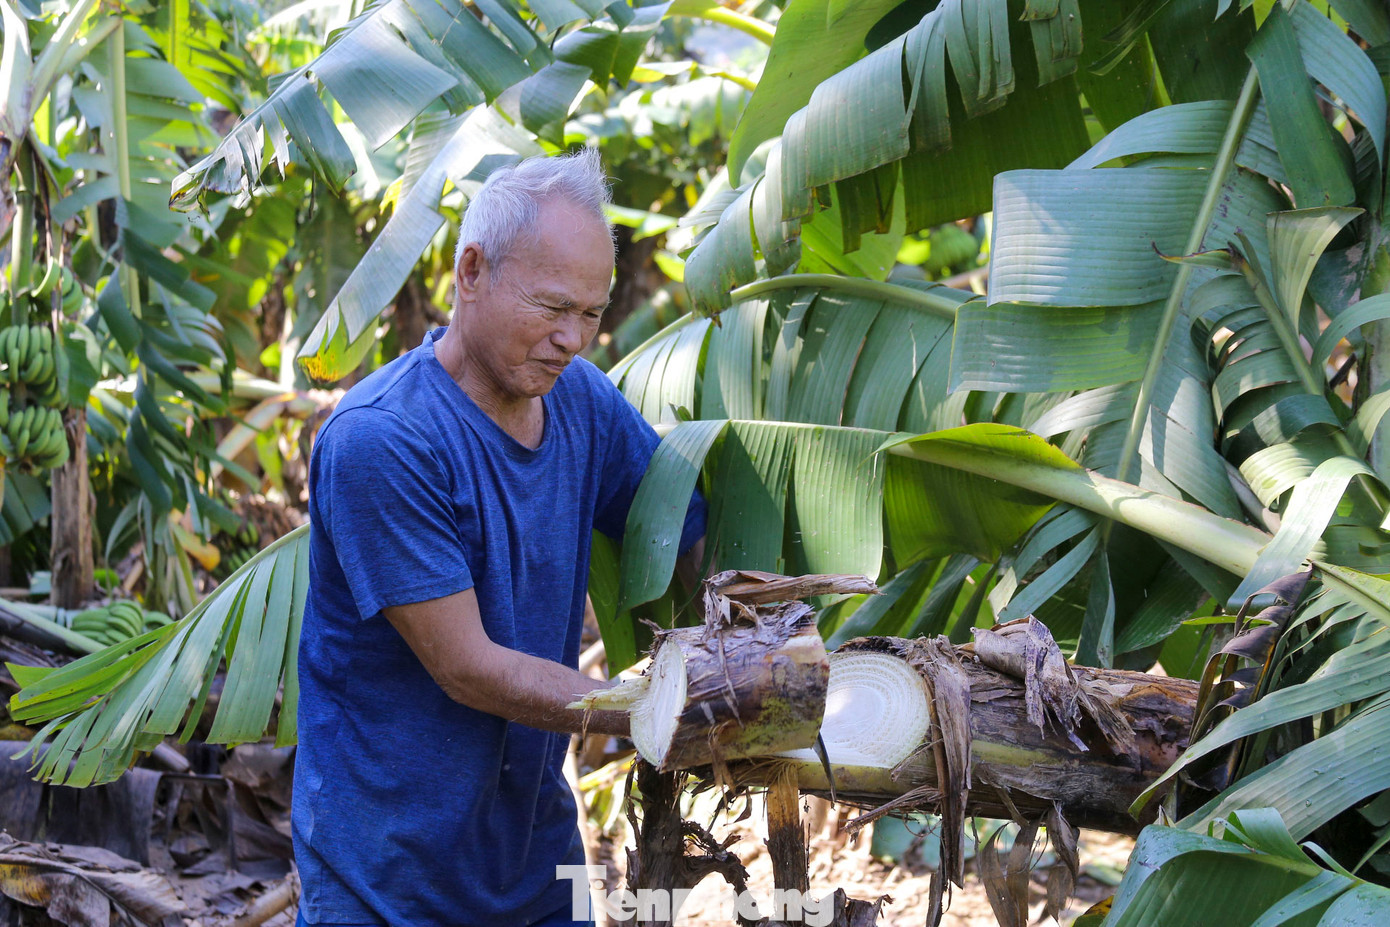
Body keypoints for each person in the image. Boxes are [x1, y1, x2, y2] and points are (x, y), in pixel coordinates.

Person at [292, 149, 706, 926]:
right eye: (553, 307)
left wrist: (755, 646)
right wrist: (675, 707)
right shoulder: (383, 440)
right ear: (471, 272)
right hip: (387, 878)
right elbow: (469, 669)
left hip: (532, 856)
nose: (574, 338)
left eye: (591, 313)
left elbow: (681, 522)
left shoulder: (579, 398)